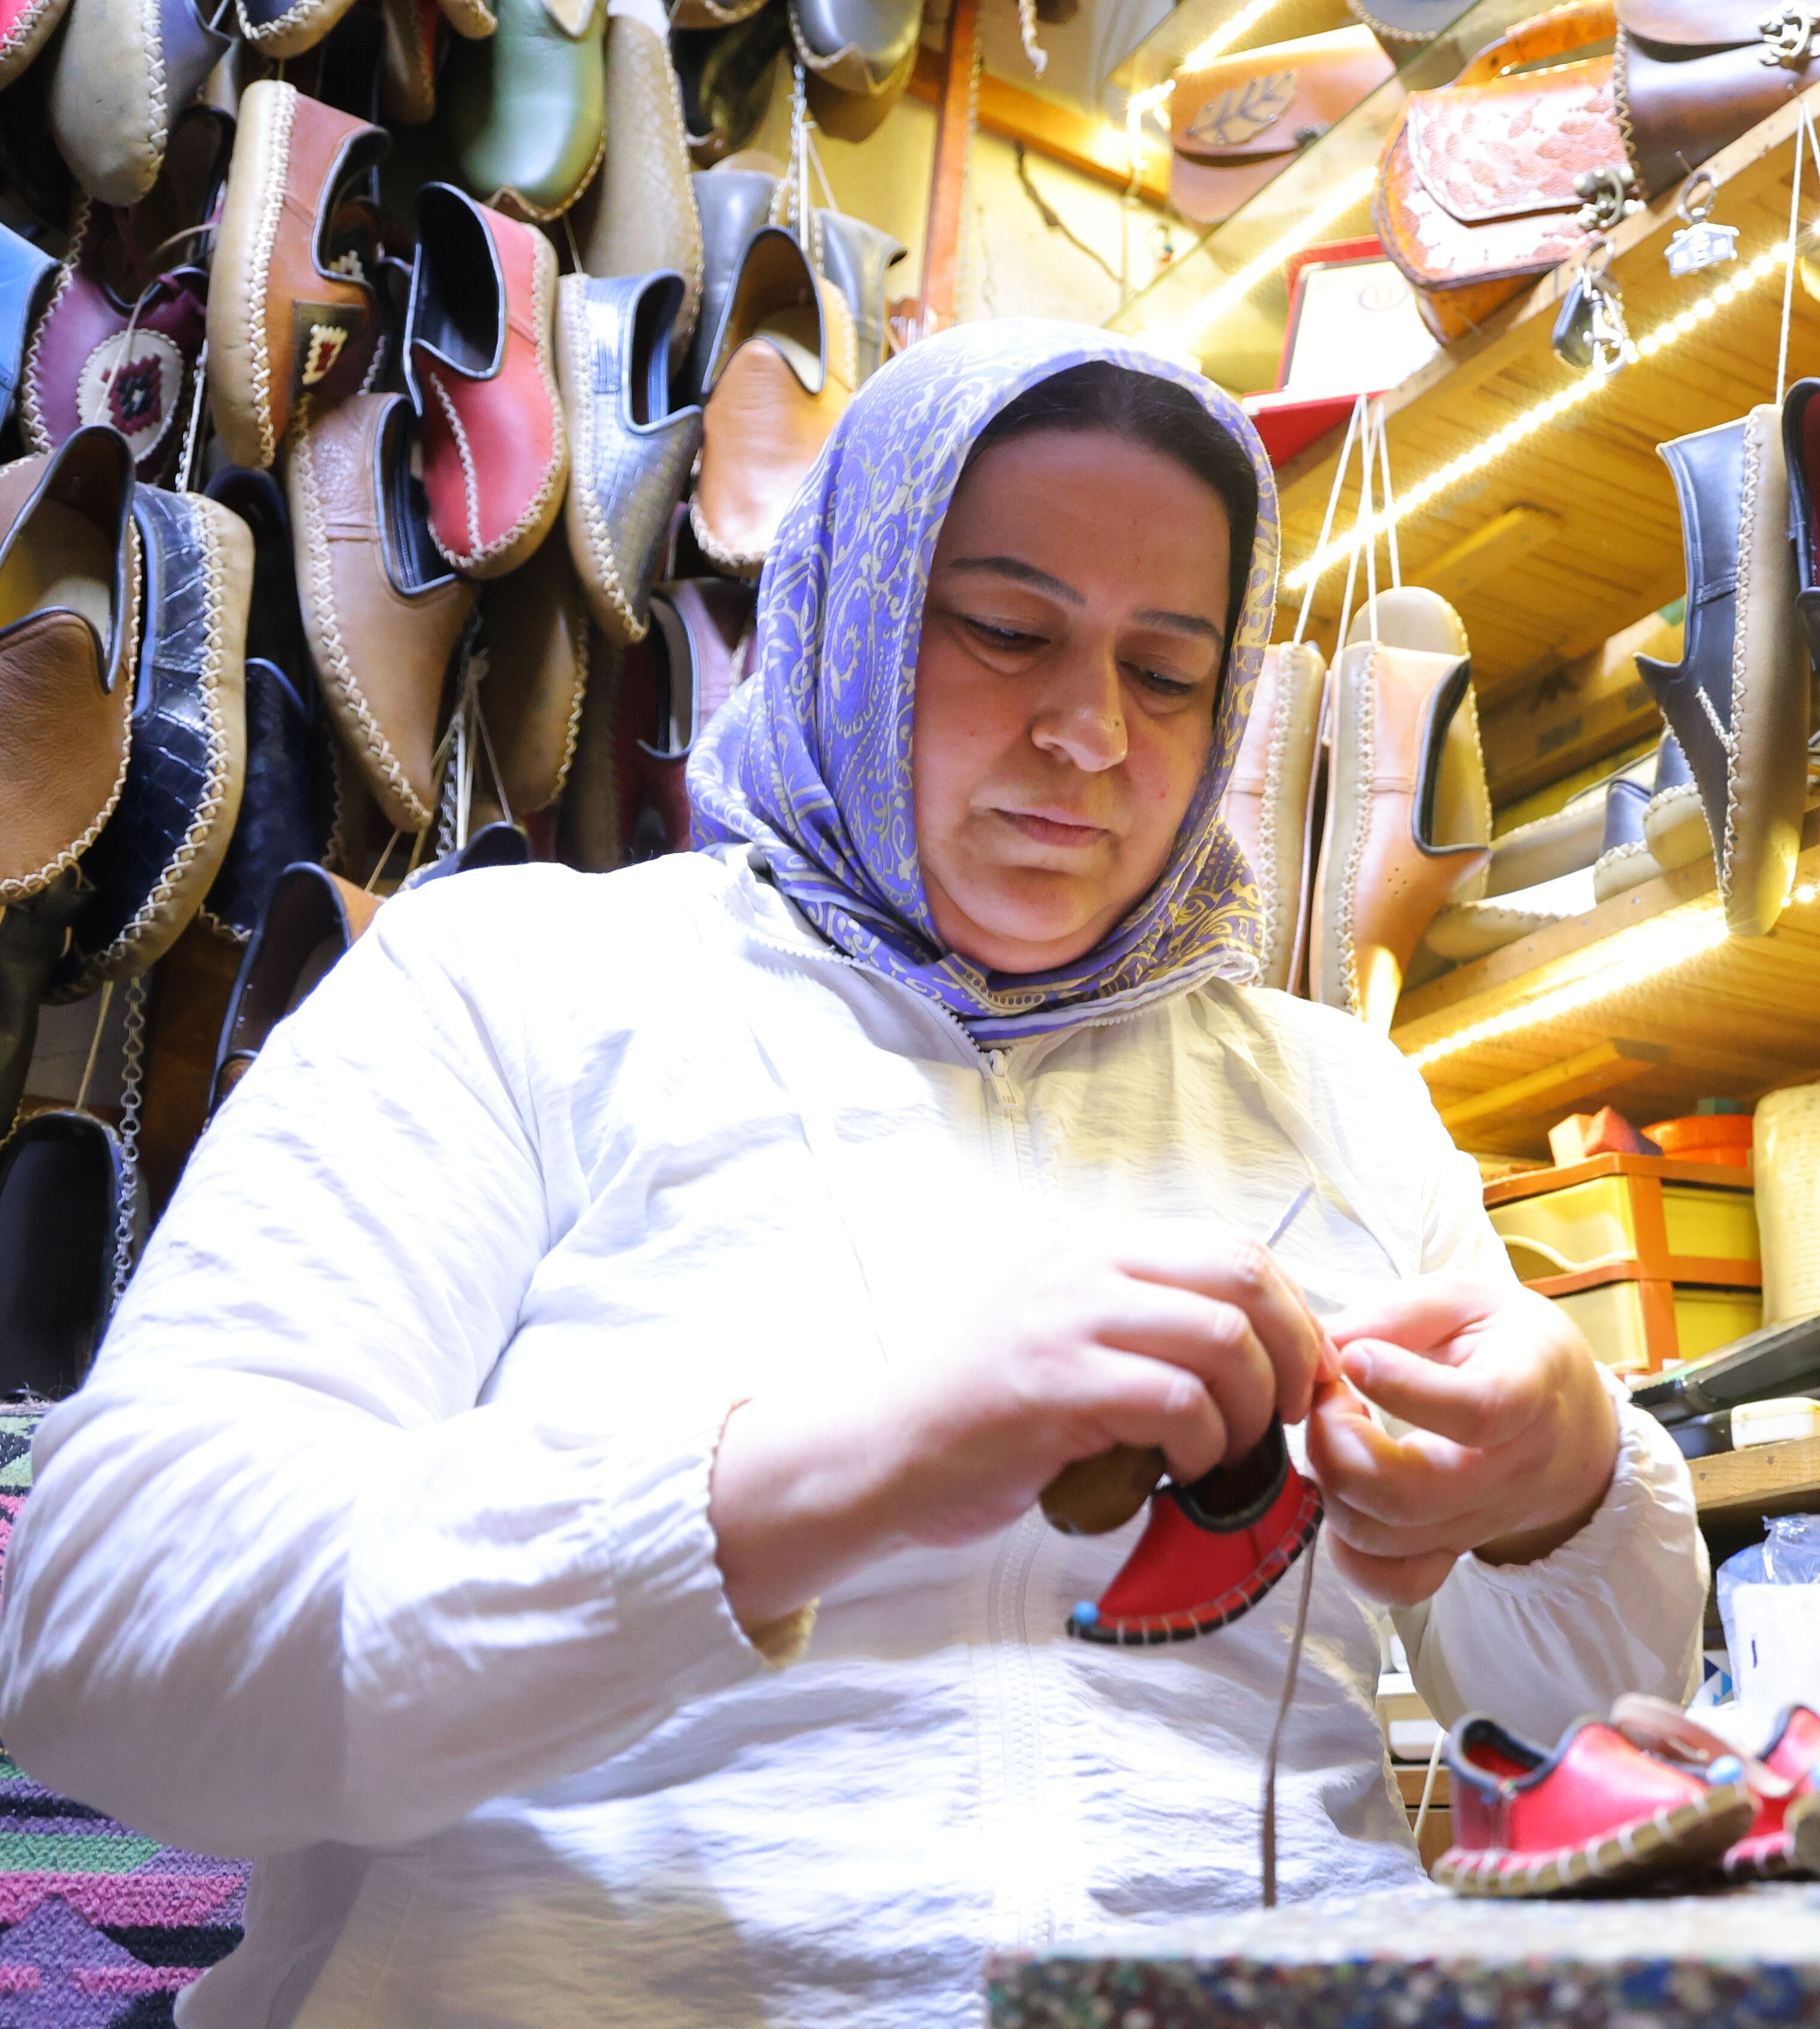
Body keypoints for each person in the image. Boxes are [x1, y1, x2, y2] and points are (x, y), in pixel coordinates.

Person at [0, 326, 1704, 2025]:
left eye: (1171, 670)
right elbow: (105, 1635)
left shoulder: (1339, 1099)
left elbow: (1583, 1735)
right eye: (1007, 631)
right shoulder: (515, 988)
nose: (1091, 734)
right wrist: (838, 1472)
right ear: (855, 604)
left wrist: (1561, 1491)